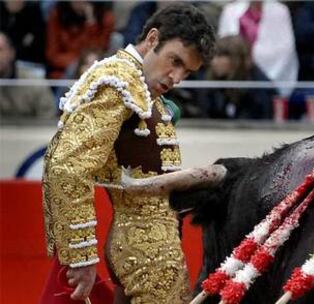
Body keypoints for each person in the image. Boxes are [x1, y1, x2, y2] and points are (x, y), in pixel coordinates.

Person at [41, 4, 215, 304]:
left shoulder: (138, 85)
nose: (177, 77)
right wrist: (80, 257)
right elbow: (67, 167)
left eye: (187, 71)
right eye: (174, 61)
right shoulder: (120, 82)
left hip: (143, 242)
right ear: (152, 38)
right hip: (146, 250)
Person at [198, 35, 274, 119]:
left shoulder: (258, 86)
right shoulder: (208, 82)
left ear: (237, 59)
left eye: (220, 56)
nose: (214, 61)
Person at [45, 1, 115, 79]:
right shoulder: (57, 14)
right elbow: (52, 54)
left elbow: (98, 50)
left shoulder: (105, 18)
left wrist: (91, 23)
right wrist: (77, 63)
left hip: (93, 67)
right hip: (65, 70)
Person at [0, 32, 55, 119]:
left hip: (31, 132)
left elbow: (48, 119)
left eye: (0, 50)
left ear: (11, 53)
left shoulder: (34, 83)